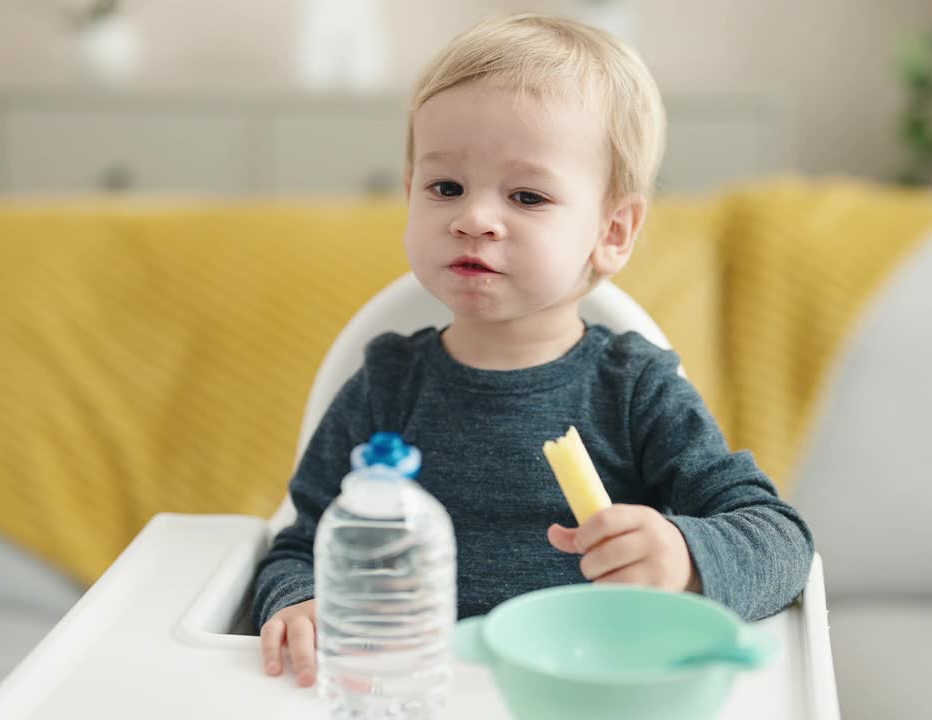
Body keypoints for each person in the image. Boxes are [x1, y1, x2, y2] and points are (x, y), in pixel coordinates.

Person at [254, 12, 814, 687]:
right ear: (410, 195)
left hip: (580, 688)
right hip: (412, 690)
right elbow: (299, 544)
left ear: (612, 231)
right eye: (445, 187)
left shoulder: (636, 390)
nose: (474, 218)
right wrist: (299, 604)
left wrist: (684, 557)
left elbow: (781, 540)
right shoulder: (385, 386)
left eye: (526, 195)